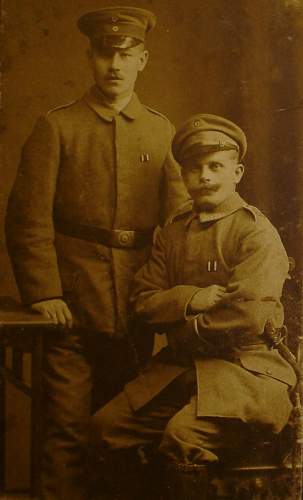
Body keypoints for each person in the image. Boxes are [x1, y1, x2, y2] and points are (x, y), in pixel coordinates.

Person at [5, 6, 189, 500]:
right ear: (89, 57)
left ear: (143, 60)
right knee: (65, 430)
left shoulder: (159, 130)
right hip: (72, 307)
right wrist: (45, 293)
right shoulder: (58, 127)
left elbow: (178, 223)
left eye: (126, 55)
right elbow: (28, 217)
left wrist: (167, 296)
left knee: (122, 431)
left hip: (137, 305)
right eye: (105, 54)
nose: (115, 65)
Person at [91, 114, 297, 499]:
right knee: (107, 427)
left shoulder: (255, 232)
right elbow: (142, 301)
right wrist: (190, 297)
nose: (204, 177)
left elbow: (246, 317)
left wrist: (182, 329)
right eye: (194, 169)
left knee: (181, 438)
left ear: (236, 172)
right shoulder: (173, 231)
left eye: (215, 167)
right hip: (182, 371)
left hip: (246, 375)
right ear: (183, 176)